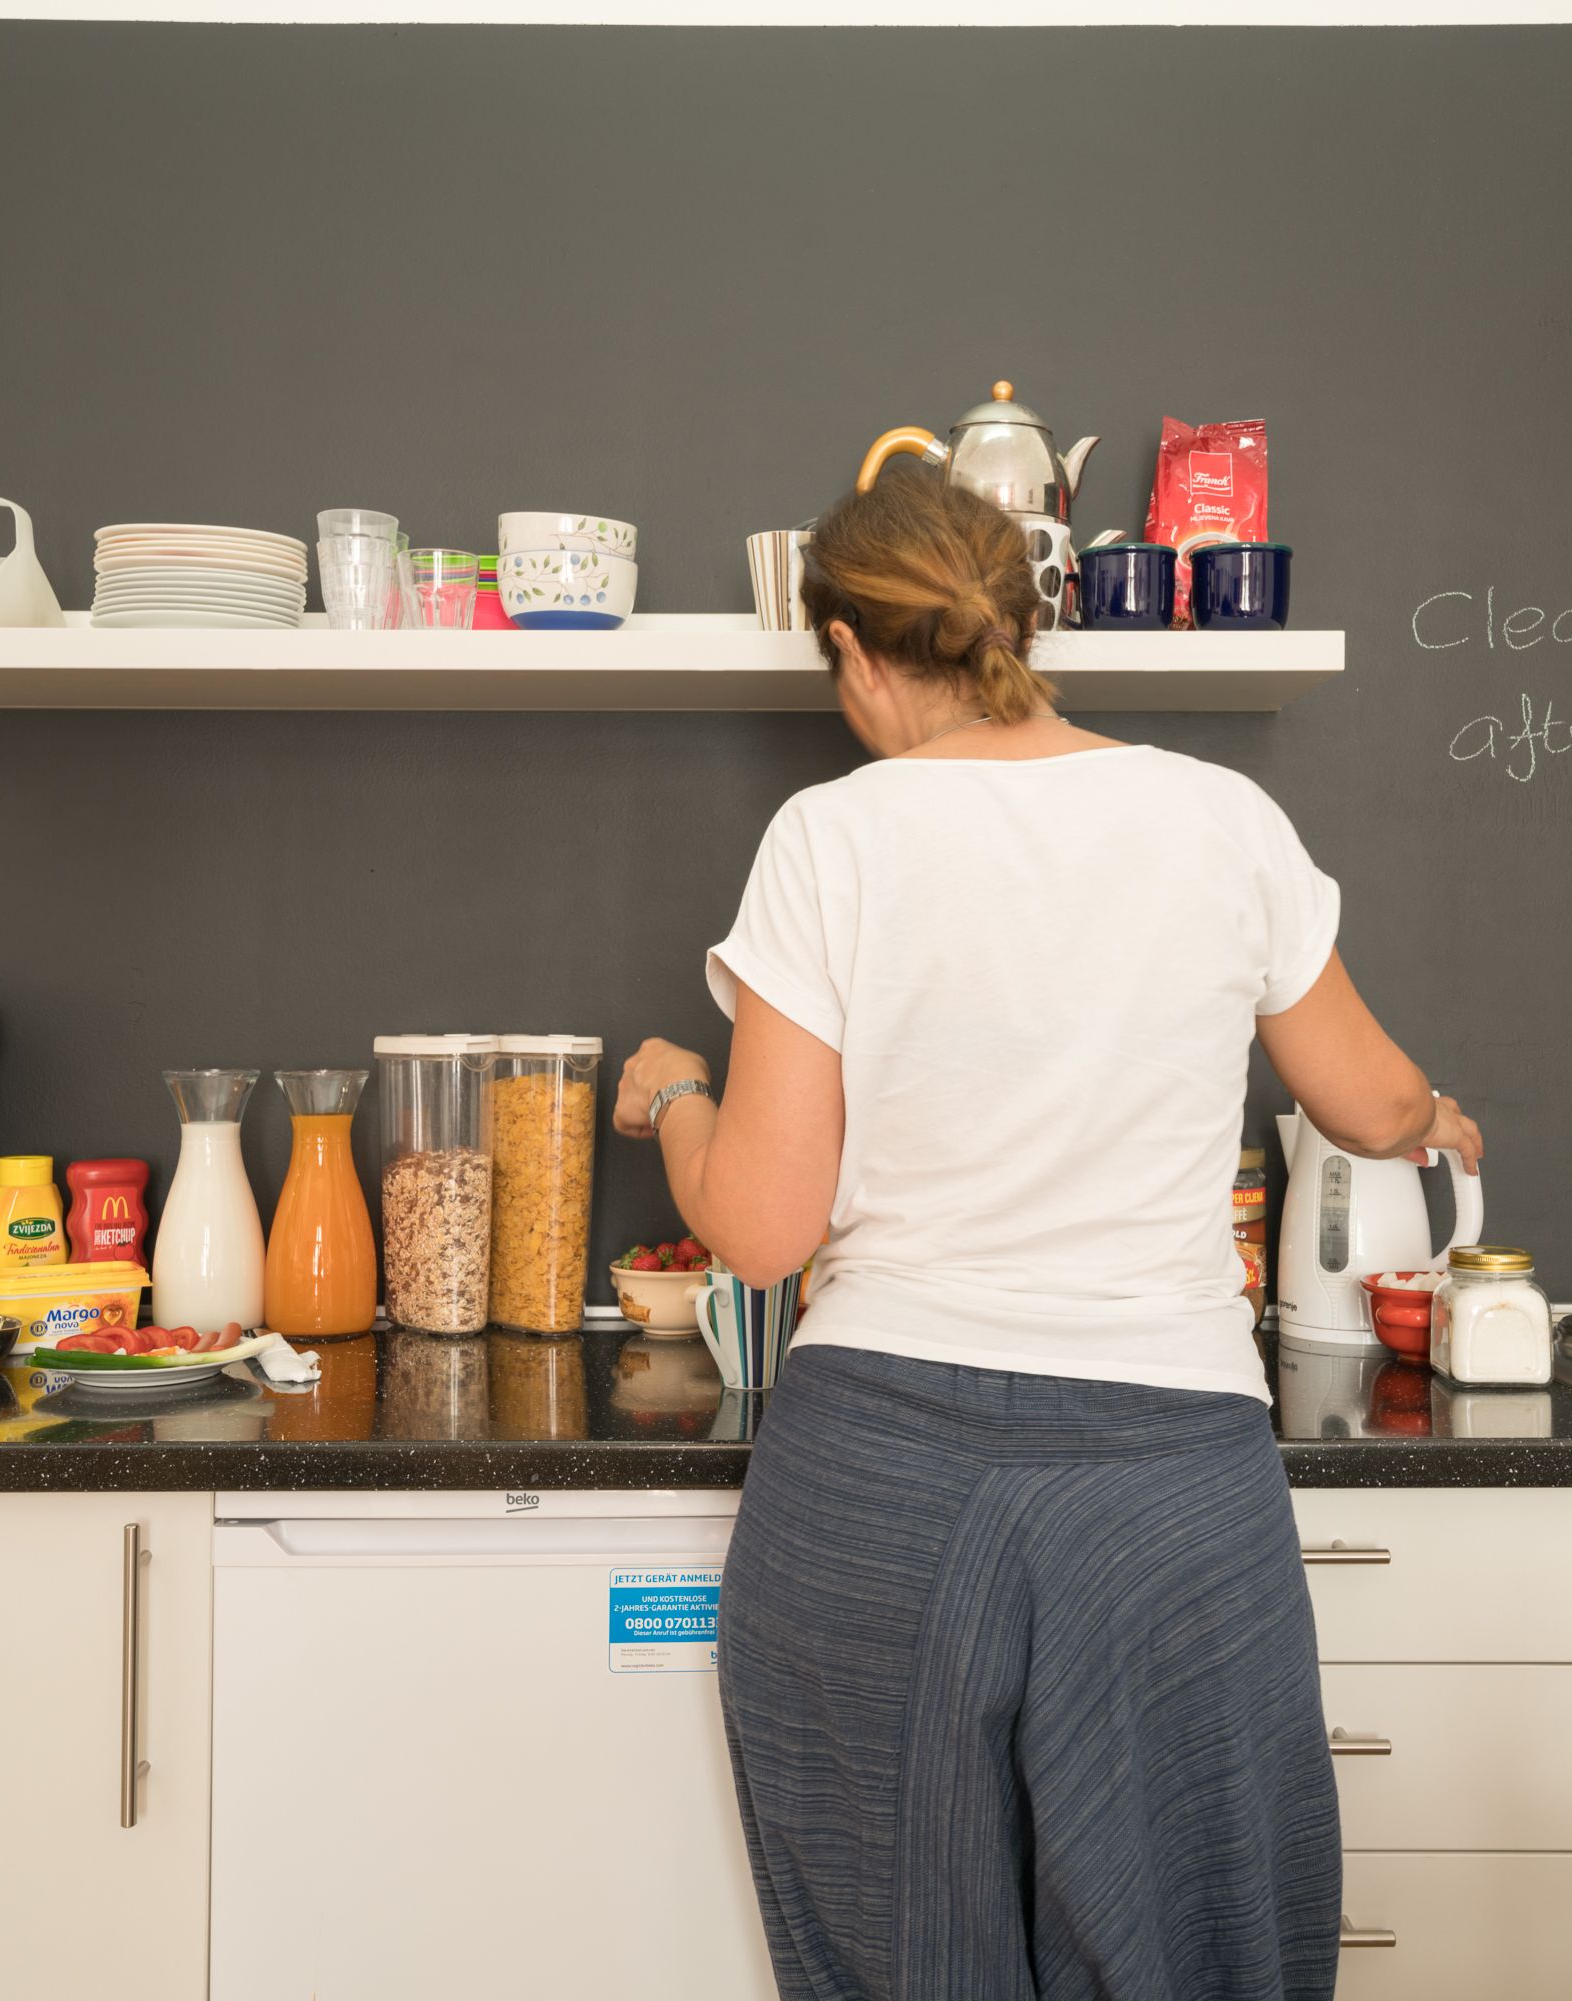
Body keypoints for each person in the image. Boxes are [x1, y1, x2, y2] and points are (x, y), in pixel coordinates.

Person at [613, 470, 1481, 2001]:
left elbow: (759, 1227)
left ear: (850, 646)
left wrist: (678, 1091)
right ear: (1028, 618)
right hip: (1170, 1496)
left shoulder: (831, 836)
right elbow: (1373, 1099)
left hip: (880, 1485)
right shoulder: (1224, 819)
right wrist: (1430, 1119)